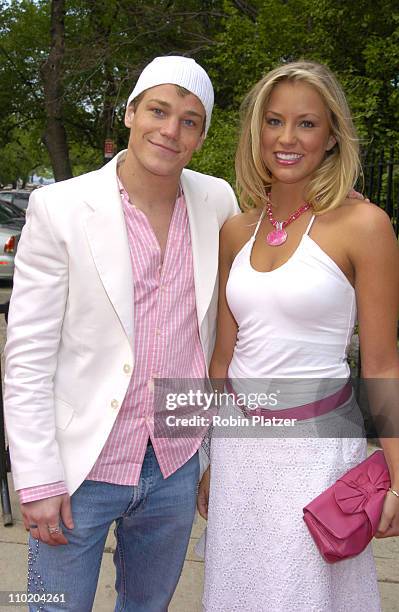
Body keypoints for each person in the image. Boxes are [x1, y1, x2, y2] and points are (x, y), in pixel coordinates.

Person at [4, 55, 239, 611]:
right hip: (80, 465)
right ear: (131, 114)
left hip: (176, 463)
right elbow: (28, 355)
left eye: (189, 120)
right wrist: (37, 478)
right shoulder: (60, 207)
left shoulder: (217, 201)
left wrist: (330, 202)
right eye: (158, 110)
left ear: (201, 138)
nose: (170, 129)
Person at [197, 61, 399, 611]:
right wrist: (213, 460)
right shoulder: (235, 230)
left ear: (332, 133)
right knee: (237, 591)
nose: (287, 138)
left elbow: (381, 363)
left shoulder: (364, 226)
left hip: (318, 454)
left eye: (307, 124)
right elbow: (224, 358)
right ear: (256, 131)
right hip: (242, 455)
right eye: (274, 121)